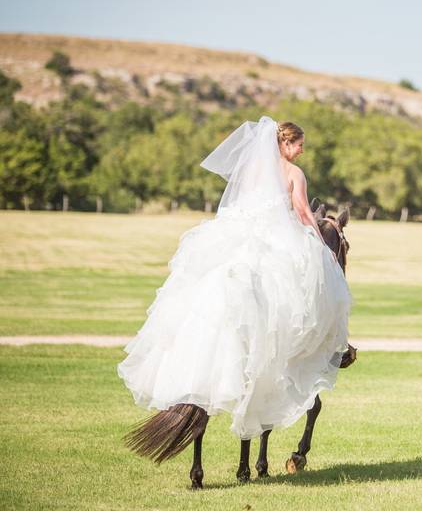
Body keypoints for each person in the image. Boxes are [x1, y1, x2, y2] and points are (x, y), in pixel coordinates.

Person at [118, 117, 352, 439]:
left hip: (239, 234)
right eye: (299, 144)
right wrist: (317, 239)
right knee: (311, 285)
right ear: (285, 144)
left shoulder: (253, 170)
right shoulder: (294, 174)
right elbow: (300, 210)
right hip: (275, 238)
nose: (301, 150)